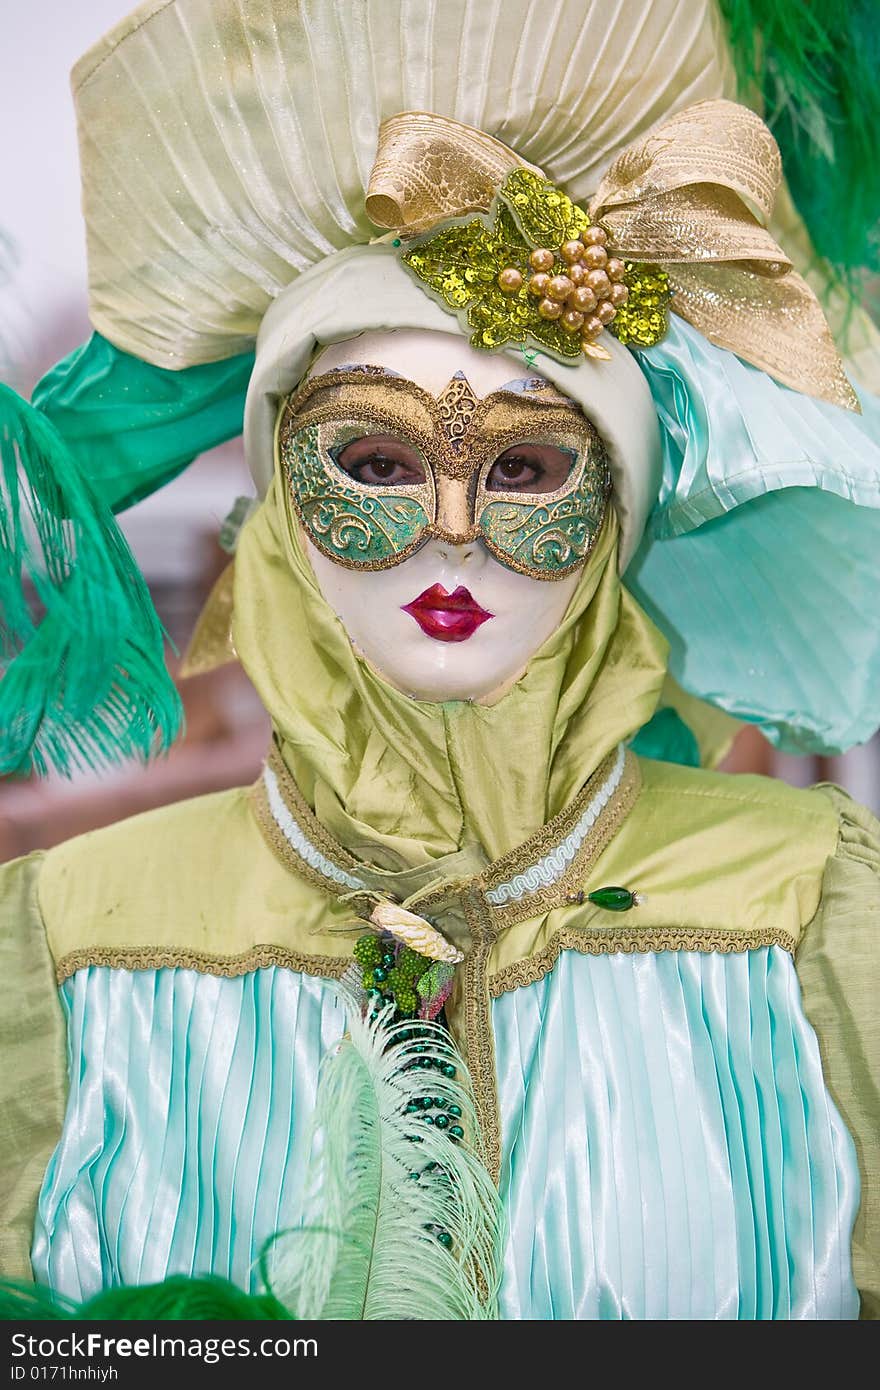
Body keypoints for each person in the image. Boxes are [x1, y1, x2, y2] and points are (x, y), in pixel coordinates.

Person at [1, 0, 878, 1320]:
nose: (453, 535)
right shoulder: (66, 943)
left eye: (524, 470)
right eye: (378, 462)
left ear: (619, 508)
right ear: (284, 501)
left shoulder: (817, 909)